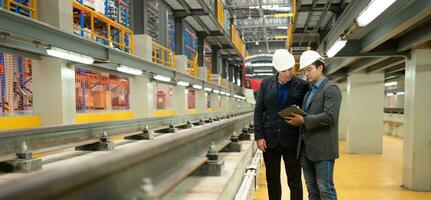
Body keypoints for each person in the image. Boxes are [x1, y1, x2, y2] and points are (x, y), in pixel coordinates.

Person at [285, 50, 342, 200]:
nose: (306, 74)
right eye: (304, 71)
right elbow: (309, 116)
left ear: (320, 67)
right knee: (312, 191)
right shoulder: (308, 93)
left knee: (325, 189)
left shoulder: (331, 89)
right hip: (306, 149)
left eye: (309, 69)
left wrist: (303, 120)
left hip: (323, 149)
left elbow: (330, 116)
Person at [254, 49, 309, 200]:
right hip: (269, 140)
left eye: (291, 69)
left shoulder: (302, 85)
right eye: (284, 70)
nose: (288, 73)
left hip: (291, 140)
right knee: (272, 180)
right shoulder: (266, 84)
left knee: (295, 181)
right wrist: (259, 136)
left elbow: (308, 109)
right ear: (277, 70)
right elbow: (259, 110)